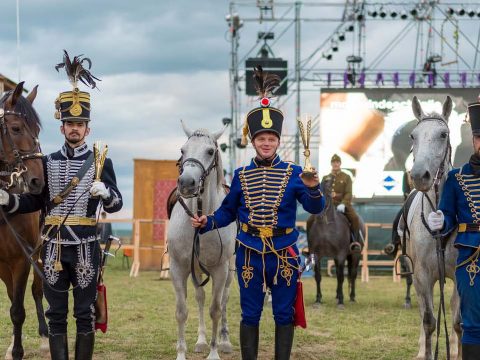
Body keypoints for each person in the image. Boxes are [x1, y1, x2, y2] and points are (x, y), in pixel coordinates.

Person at [191, 66, 324, 360]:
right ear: (253, 141)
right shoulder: (240, 175)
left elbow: (316, 208)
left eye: (271, 139)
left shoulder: (295, 173)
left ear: (278, 142)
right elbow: (227, 212)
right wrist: (207, 221)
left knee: (282, 314)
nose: (266, 143)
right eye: (261, 139)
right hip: (249, 251)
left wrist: (314, 189)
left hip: (284, 251)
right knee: (249, 315)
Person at [0, 52, 123, 360]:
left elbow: (118, 201)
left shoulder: (100, 160)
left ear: (87, 129)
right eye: (69, 123)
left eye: (80, 124)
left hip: (85, 248)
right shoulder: (48, 161)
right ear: (62, 127)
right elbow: (35, 201)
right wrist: (10, 200)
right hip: (53, 250)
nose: (74, 129)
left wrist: (106, 193)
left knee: (84, 315)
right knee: (56, 316)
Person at [428, 101, 480, 359]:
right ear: (474, 140)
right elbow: (448, 215)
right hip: (470, 260)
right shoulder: (457, 178)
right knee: (471, 324)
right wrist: (441, 220)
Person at [321, 154, 362, 253]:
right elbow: (321, 192)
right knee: (312, 219)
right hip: (327, 206)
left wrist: (343, 203)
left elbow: (348, 193)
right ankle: (312, 246)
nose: (335, 164)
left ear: (340, 163)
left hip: (342, 204)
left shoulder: (346, 177)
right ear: (331, 164)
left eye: (337, 162)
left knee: (355, 218)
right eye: (334, 162)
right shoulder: (325, 178)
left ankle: (355, 242)